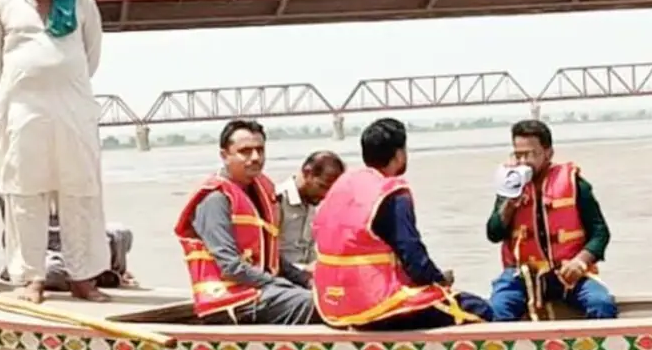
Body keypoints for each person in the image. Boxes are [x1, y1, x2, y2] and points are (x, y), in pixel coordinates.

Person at [0, 0, 110, 303]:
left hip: (72, 109)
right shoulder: (1, 3)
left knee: (80, 191)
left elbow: (90, 55)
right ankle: (31, 278)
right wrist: (23, 87)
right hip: (23, 112)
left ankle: (83, 278)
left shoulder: (81, 0)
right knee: (24, 193)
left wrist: (59, 81)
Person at [313, 117, 492, 330]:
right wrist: (439, 281)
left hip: (332, 305)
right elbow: (415, 259)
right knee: (480, 310)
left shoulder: (342, 187)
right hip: (376, 307)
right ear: (399, 155)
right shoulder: (390, 194)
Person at [173, 119, 318, 324]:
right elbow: (230, 267)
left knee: (330, 294)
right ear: (225, 155)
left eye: (260, 150)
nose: (255, 157)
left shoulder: (261, 193)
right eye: (245, 151)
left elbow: (272, 259)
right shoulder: (215, 198)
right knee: (312, 303)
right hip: (231, 301)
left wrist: (306, 279)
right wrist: (283, 285)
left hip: (261, 291)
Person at [485, 119, 618, 321]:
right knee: (496, 311)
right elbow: (493, 233)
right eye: (518, 154)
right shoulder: (509, 185)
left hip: (567, 273)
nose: (523, 161)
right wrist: (509, 205)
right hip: (522, 277)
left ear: (548, 153)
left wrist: (580, 262)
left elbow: (600, 233)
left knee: (601, 304)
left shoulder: (576, 184)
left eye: (530, 154)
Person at [0, 199, 139, 291]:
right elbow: (12, 232)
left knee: (121, 233)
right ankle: (93, 275)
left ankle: (106, 271)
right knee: (51, 272)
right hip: (44, 249)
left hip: (80, 240)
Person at [278, 150, 345, 269]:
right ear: (307, 173)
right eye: (322, 186)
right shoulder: (277, 201)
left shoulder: (313, 202)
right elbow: (267, 255)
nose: (324, 195)